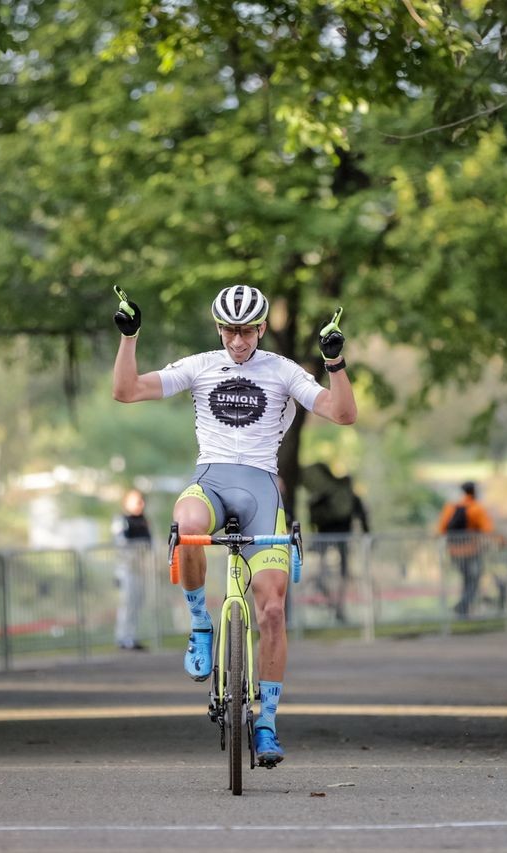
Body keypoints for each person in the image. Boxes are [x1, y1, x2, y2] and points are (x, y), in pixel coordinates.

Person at [112, 284, 357, 767]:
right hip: (212, 480)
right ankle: (201, 623)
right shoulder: (200, 365)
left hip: (262, 492)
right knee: (185, 525)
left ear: (262, 328)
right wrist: (130, 336)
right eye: (229, 330)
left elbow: (342, 414)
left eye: (246, 330)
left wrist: (335, 364)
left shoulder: (282, 370)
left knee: (271, 611)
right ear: (218, 328)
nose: (238, 341)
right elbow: (127, 390)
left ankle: (266, 723)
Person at [300, 462, 370, 623]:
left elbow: (313, 513)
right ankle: (338, 605)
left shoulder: (324, 495)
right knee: (343, 572)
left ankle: (330, 598)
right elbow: (362, 517)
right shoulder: (351, 497)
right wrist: (367, 536)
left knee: (323, 571)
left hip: (324, 536)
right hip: (344, 536)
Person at [436, 481, 495, 617]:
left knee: (468, 580)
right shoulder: (476, 508)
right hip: (472, 551)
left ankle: (463, 608)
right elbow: (488, 530)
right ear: (474, 492)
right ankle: (462, 606)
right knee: (473, 580)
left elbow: (440, 529)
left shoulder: (451, 508)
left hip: (453, 551)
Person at [112, 488, 152, 651]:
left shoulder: (143, 520)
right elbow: (120, 543)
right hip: (127, 569)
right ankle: (123, 637)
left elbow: (150, 543)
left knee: (137, 603)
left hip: (141, 569)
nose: (139, 504)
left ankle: (131, 636)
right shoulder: (121, 520)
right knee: (127, 604)